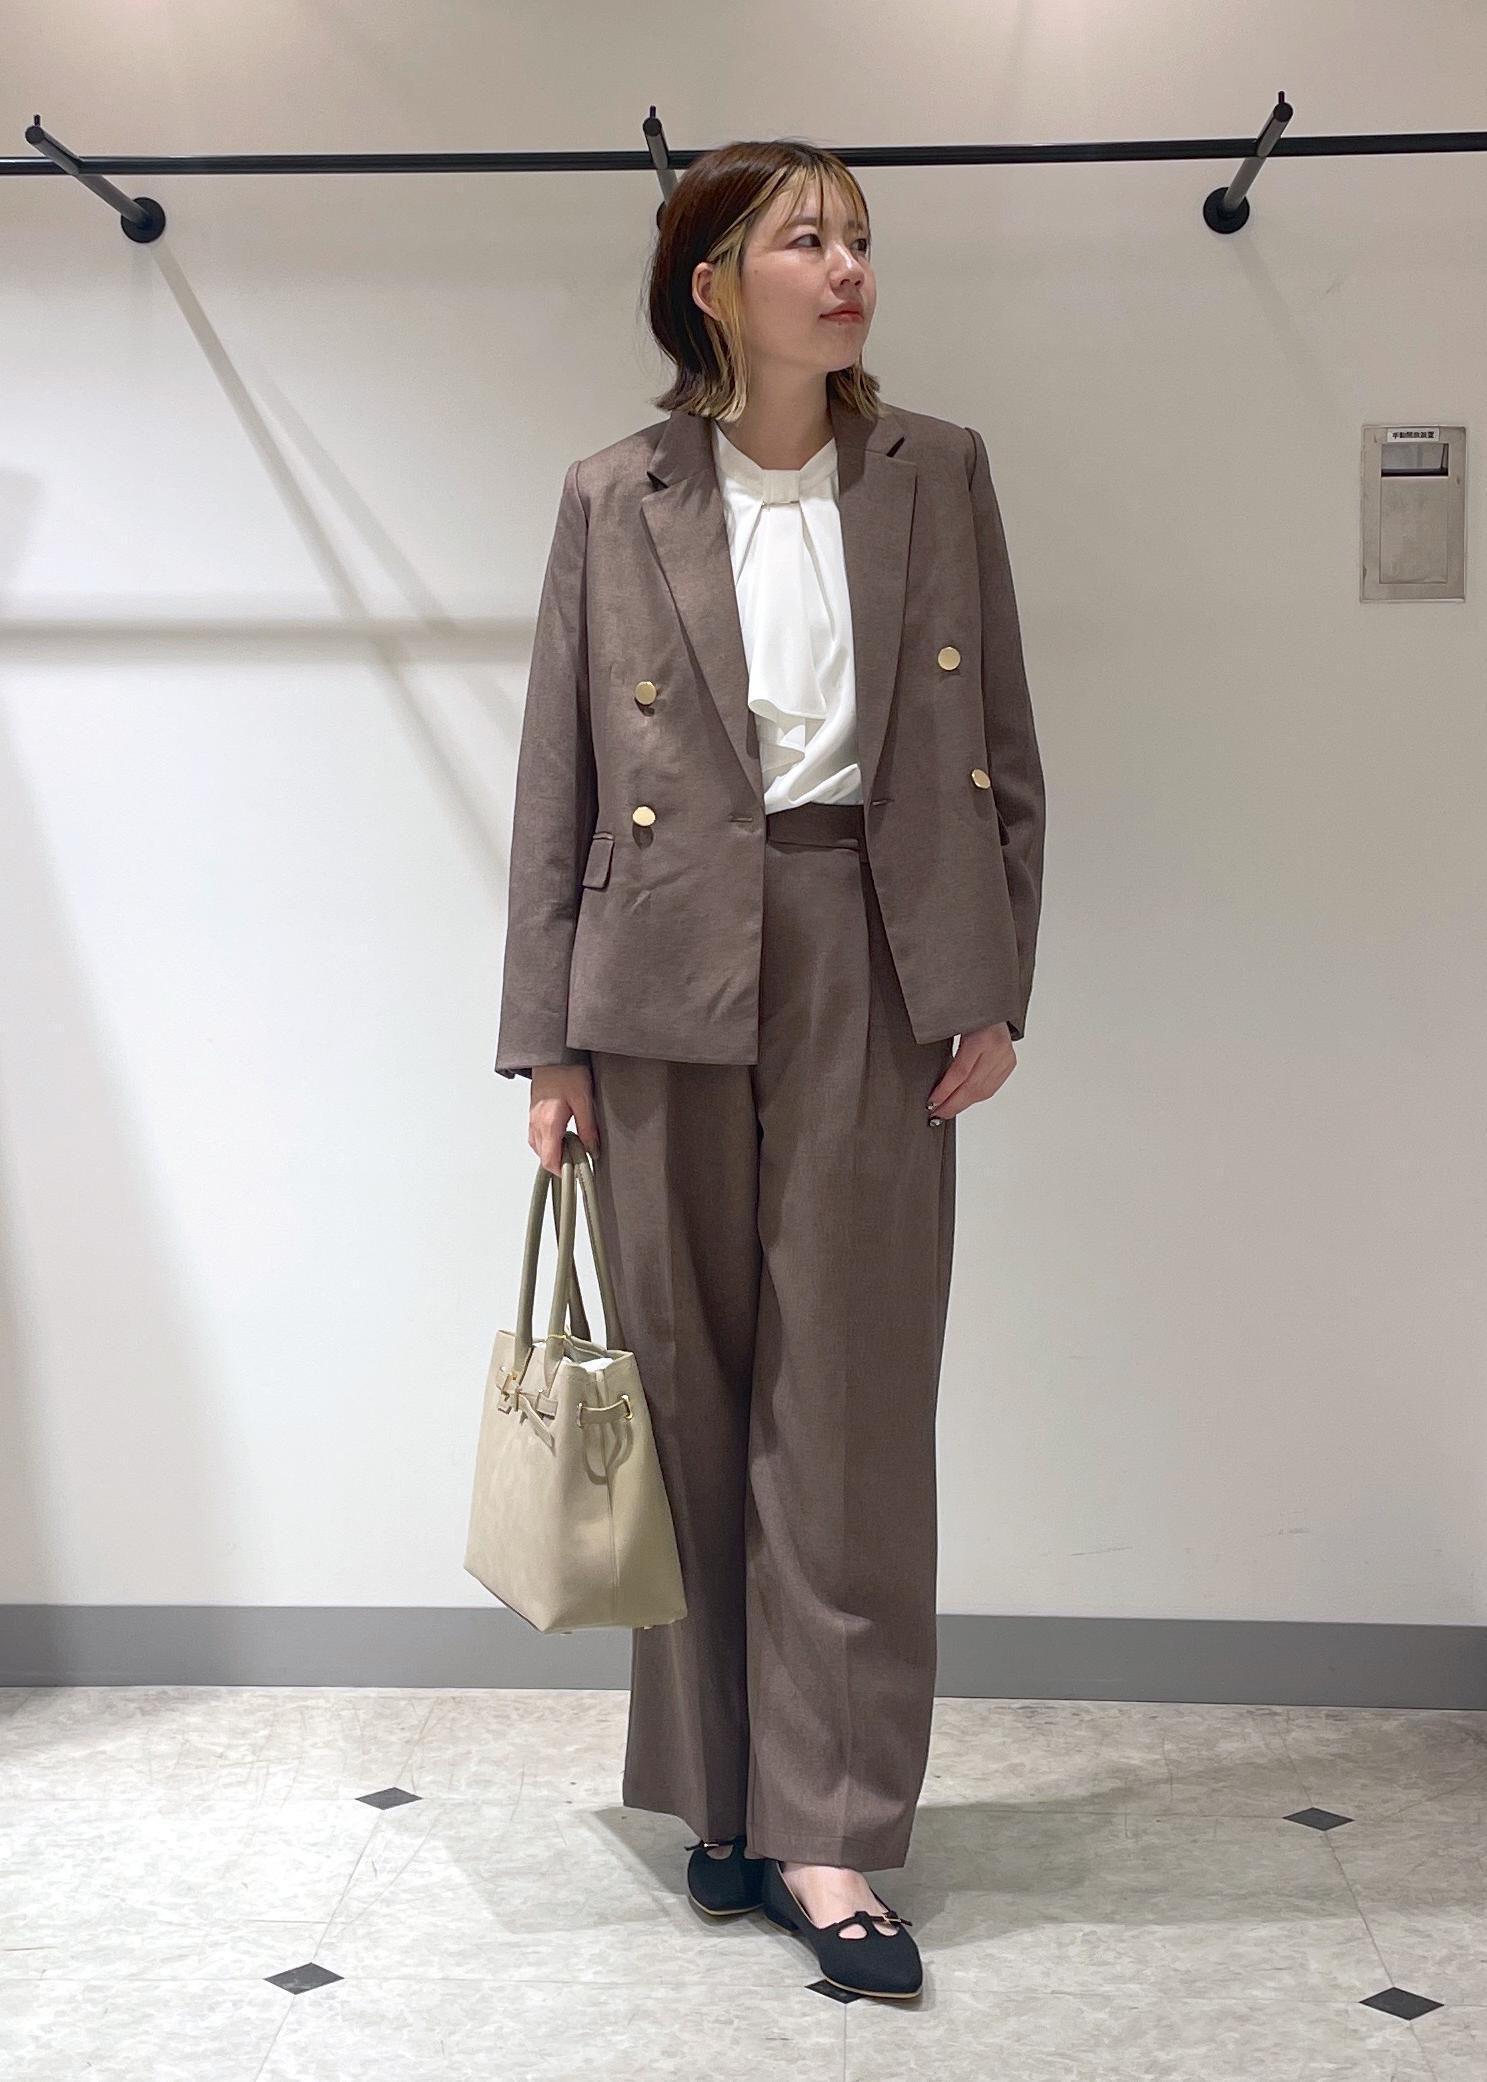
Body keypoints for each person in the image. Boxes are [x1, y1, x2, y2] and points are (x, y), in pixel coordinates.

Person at [494, 138, 1045, 2000]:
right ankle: (717, 1794)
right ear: (712, 282)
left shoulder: (939, 470)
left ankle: (829, 1825)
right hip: (658, 975)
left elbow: (1005, 745)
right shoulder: (615, 492)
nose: (848, 265)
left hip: (875, 956)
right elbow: (557, 778)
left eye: (861, 236)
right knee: (685, 1391)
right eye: (806, 236)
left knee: (853, 1409)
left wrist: (990, 979)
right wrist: (545, 1041)